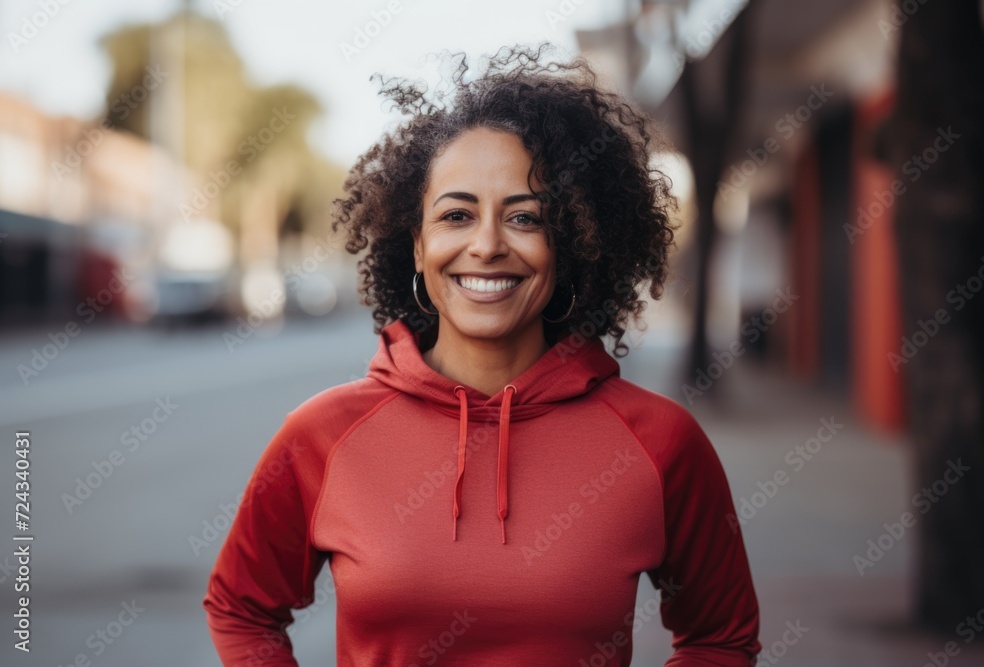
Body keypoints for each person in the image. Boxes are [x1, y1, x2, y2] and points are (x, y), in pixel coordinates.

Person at [202, 43, 761, 666]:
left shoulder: (661, 442)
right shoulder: (323, 437)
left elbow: (720, 636)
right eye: (457, 215)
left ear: (570, 244)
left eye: (525, 218)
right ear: (417, 246)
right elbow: (242, 607)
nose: (487, 245)